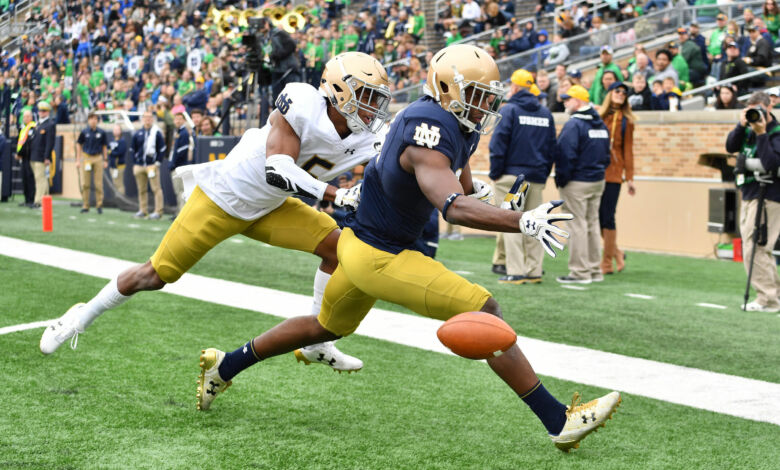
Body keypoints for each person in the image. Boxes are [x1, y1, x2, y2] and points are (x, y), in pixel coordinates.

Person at [195, 44, 621, 453]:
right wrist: (522, 220)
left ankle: (224, 366)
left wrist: (498, 202)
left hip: (360, 246)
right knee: (486, 311)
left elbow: (466, 188)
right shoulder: (427, 128)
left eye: (489, 97)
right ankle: (558, 420)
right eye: (477, 96)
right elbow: (453, 206)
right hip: (379, 254)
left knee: (324, 325)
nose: (485, 105)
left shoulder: (457, 125)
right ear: (449, 90)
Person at [39, 53, 391, 377]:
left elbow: (403, 160)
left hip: (271, 207)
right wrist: (337, 194)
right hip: (224, 199)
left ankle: (315, 342)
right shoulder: (301, 101)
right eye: (368, 96)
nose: (374, 107)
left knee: (337, 248)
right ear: (340, 91)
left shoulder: (367, 137)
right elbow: (278, 169)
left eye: (378, 98)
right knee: (155, 275)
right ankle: (78, 318)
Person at [489, 69, 556, 284]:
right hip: (536, 177)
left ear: (515, 88)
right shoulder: (546, 114)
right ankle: (534, 271)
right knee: (535, 224)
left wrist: (496, 173)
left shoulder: (509, 111)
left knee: (511, 224)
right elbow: (551, 149)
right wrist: (543, 175)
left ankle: (516, 271)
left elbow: (498, 144)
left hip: (511, 177)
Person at [725, 91, 780, 312]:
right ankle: (774, 296)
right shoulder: (747, 128)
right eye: (750, 109)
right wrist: (741, 125)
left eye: (758, 109)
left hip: (768, 196)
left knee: (755, 247)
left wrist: (761, 134)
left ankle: (767, 299)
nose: (754, 114)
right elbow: (730, 146)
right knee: (756, 247)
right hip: (748, 193)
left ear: (768, 108)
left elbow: (770, 163)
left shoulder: (775, 133)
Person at [554, 85, 611, 284]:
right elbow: (606, 156)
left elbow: (565, 155)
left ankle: (580, 272)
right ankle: (595, 270)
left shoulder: (574, 124)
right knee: (592, 224)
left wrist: (561, 179)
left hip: (577, 181)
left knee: (577, 225)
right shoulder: (601, 124)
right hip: (597, 180)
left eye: (568, 99)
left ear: (577, 101)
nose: (565, 103)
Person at [598, 82, 636, 275]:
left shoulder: (626, 121)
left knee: (608, 216)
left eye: (624, 93)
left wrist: (629, 177)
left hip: (614, 174)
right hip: (596, 172)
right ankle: (617, 252)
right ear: (610, 93)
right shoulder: (599, 116)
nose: (621, 94)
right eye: (617, 91)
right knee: (596, 217)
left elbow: (628, 150)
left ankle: (606, 262)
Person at [130, 111, 166, 219]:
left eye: (150, 117)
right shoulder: (138, 133)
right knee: (141, 189)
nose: (148, 119)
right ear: (142, 119)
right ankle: (143, 210)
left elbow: (162, 149)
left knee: (156, 189)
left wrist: (157, 162)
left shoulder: (156, 132)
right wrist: (135, 163)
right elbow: (132, 149)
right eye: (146, 117)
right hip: (140, 165)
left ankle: (158, 211)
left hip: (151, 165)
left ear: (153, 119)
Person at [76, 113, 109, 214]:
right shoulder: (84, 132)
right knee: (85, 183)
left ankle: (99, 204)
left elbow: (104, 146)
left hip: (98, 157)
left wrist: (105, 159)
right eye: (91, 119)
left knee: (98, 183)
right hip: (86, 157)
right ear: (88, 120)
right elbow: (79, 144)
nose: (93, 121)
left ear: (97, 120)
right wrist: (78, 159)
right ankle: (86, 205)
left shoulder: (101, 132)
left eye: (95, 119)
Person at [28, 101, 55, 209]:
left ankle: (38, 201)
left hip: (41, 156)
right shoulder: (38, 124)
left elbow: (50, 142)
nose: (41, 113)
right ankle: (46, 199)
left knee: (40, 179)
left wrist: (47, 157)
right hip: (34, 155)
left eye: (43, 111)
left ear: (48, 112)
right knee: (40, 179)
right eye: (40, 111)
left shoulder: (50, 124)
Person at [168, 112, 191, 216]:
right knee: (178, 191)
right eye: (176, 119)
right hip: (176, 166)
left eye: (180, 119)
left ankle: (181, 214)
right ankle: (179, 212)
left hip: (179, 167)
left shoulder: (184, 133)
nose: (177, 121)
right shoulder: (177, 132)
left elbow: (181, 153)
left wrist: (173, 164)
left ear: (184, 120)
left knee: (181, 191)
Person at [14, 109, 35, 207]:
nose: (25, 118)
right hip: (23, 157)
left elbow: (28, 143)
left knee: (30, 179)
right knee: (24, 179)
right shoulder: (24, 128)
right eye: (24, 116)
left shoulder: (32, 127)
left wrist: (19, 153)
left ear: (31, 117)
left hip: (28, 156)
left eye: (27, 116)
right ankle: (26, 199)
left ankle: (31, 200)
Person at [108, 124, 128, 195]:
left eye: (117, 130)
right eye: (115, 129)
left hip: (119, 166)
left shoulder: (122, 141)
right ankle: (116, 198)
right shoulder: (112, 141)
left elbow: (119, 152)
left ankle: (121, 199)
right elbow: (108, 150)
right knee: (115, 184)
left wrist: (111, 152)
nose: (116, 131)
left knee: (119, 184)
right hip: (112, 166)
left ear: (120, 131)